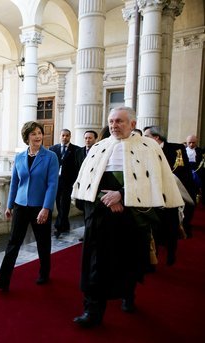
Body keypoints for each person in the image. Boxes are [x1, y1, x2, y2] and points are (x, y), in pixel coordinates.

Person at [72, 107, 184, 328]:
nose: (114, 125)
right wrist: (105, 201)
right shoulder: (99, 146)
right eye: (111, 121)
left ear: (132, 124)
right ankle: (92, 311)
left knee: (129, 260)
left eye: (119, 121)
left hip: (131, 217)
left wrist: (123, 196)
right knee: (95, 264)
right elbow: (87, 182)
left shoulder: (148, 147)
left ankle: (128, 294)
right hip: (101, 214)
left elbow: (154, 181)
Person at [0, 121, 59, 291]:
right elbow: (15, 182)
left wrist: (46, 208)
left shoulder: (50, 157)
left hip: (40, 207)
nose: (38, 137)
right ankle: (3, 280)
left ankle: (44, 273)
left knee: (43, 242)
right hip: (20, 205)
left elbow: (52, 184)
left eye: (39, 133)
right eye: (33, 134)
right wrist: (9, 205)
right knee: (13, 243)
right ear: (27, 137)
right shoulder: (19, 157)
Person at [144, 126, 195, 244]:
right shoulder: (145, 149)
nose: (143, 138)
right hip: (153, 190)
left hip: (173, 188)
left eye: (146, 136)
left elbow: (183, 169)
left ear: (156, 137)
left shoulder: (177, 148)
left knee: (171, 218)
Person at [49, 129, 80, 238]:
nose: (65, 137)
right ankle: (65, 224)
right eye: (63, 135)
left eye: (67, 135)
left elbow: (77, 167)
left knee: (64, 204)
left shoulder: (76, 150)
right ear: (60, 136)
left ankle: (58, 226)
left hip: (68, 182)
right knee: (59, 204)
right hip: (56, 181)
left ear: (70, 136)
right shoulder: (53, 149)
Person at [185, 134, 203, 204]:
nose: (191, 144)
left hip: (197, 171)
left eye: (193, 142)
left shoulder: (200, 151)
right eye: (189, 142)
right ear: (187, 142)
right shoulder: (183, 150)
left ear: (196, 142)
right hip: (187, 171)